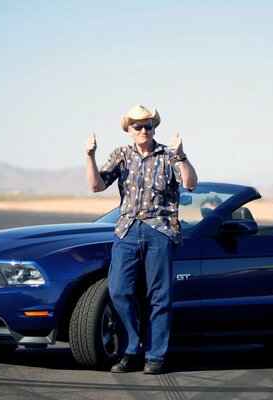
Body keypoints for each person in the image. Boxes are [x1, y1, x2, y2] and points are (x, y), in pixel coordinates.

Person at [85, 105, 197, 374]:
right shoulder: (121, 155)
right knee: (119, 290)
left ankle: (155, 356)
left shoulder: (168, 156)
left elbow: (190, 183)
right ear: (129, 131)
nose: (144, 130)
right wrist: (89, 156)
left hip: (159, 230)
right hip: (126, 231)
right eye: (138, 126)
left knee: (160, 296)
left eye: (149, 125)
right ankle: (130, 349)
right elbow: (96, 186)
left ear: (155, 128)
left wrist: (182, 156)